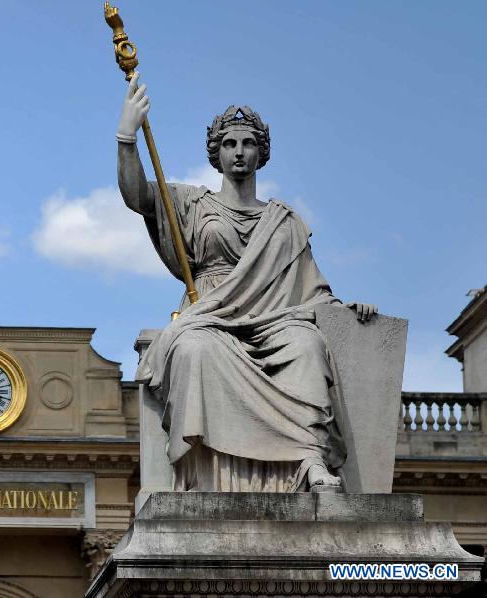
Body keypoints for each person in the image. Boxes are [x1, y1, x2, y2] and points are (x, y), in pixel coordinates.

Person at [117, 73, 377, 491]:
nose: (239, 152)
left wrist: (348, 310)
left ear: (262, 153)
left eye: (248, 144)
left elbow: (313, 291)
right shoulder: (190, 202)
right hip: (210, 315)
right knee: (193, 348)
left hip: (276, 317)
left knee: (307, 345)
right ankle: (203, 474)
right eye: (229, 145)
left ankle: (309, 461)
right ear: (216, 154)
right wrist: (126, 137)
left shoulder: (285, 222)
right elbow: (137, 196)